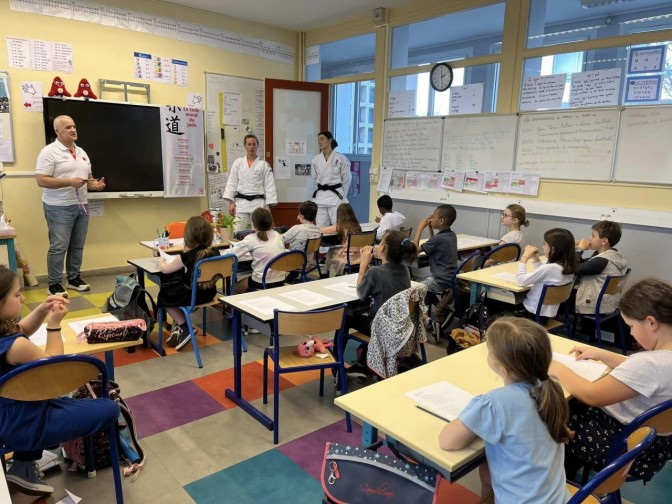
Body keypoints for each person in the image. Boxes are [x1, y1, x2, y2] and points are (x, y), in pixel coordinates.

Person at [0, 265, 119, 497]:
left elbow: (21, 329)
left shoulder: (6, 335)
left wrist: (42, 311)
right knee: (109, 408)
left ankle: (24, 466)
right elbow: (55, 369)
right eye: (16, 295)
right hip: (23, 424)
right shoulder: (17, 347)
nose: (23, 298)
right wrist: (54, 324)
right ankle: (25, 460)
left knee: (46, 394)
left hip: (10, 415)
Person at [549, 278, 672, 483]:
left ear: (651, 322)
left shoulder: (650, 364)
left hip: (622, 446)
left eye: (631, 326)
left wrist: (555, 366)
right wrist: (602, 354)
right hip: (655, 445)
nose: (631, 332)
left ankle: (556, 478)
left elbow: (592, 394)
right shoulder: (661, 359)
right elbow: (646, 372)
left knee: (553, 413)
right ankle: (568, 468)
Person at [439, 317, 571, 504]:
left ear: (502, 367)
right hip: (561, 499)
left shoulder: (495, 403)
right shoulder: (551, 389)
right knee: (486, 467)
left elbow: (447, 441)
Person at [36, 115, 106, 298]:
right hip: (58, 207)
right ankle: (54, 284)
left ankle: (74, 279)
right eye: (67, 127)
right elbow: (41, 180)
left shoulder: (82, 152)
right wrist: (69, 182)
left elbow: (88, 180)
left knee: (77, 246)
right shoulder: (49, 151)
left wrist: (95, 186)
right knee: (59, 246)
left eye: (74, 126)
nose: (73, 130)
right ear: (57, 131)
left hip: (81, 205)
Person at [158, 216, 218, 351]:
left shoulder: (187, 255)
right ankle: (178, 327)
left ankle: (185, 327)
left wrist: (160, 261)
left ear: (188, 236)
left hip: (193, 296)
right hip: (210, 293)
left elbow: (165, 269)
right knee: (177, 293)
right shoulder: (216, 252)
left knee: (164, 297)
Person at [515, 228, 577, 322]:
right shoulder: (568, 267)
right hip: (547, 314)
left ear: (552, 249)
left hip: (531, 313)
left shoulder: (549, 268)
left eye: (544, 244)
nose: (542, 247)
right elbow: (544, 274)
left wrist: (524, 257)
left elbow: (520, 281)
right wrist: (535, 258)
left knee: (498, 304)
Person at [223, 134, 278, 232]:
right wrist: (232, 202)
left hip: (258, 203)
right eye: (249, 144)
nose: (251, 147)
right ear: (245, 146)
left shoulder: (263, 165)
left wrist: (267, 206)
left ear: (257, 146)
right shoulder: (238, 163)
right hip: (241, 203)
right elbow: (232, 182)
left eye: (254, 144)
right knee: (237, 231)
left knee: (260, 232)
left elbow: (270, 186)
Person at [574, 220, 628, 315]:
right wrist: (574, 247)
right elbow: (583, 264)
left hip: (596, 304)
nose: (590, 239)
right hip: (607, 302)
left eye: (593, 236)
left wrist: (579, 249)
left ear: (604, 241)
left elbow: (575, 268)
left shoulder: (601, 261)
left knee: (560, 298)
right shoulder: (610, 255)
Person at [229, 208, 285, 293]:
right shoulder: (277, 235)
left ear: (253, 224)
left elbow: (231, 255)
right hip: (281, 280)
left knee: (234, 287)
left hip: (261, 282)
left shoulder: (251, 238)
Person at [413, 204, 458, 296]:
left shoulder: (438, 239)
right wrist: (430, 227)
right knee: (422, 284)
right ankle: (439, 307)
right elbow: (433, 242)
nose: (431, 218)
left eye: (433, 216)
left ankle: (437, 308)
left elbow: (414, 250)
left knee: (413, 288)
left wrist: (420, 228)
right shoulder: (452, 235)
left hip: (440, 282)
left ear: (441, 221)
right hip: (450, 279)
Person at [311, 131, 352, 228]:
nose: (319, 142)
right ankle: (322, 243)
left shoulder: (341, 158)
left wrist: (342, 194)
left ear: (330, 140)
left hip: (335, 196)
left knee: (338, 225)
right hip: (321, 197)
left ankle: (339, 243)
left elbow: (346, 178)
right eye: (318, 140)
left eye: (322, 139)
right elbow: (314, 179)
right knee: (321, 227)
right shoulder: (315, 160)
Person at [321, 203, 362, 277]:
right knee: (333, 250)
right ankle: (331, 274)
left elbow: (323, 230)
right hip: (359, 254)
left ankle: (326, 274)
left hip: (347, 256)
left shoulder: (340, 226)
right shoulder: (357, 226)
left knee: (330, 250)